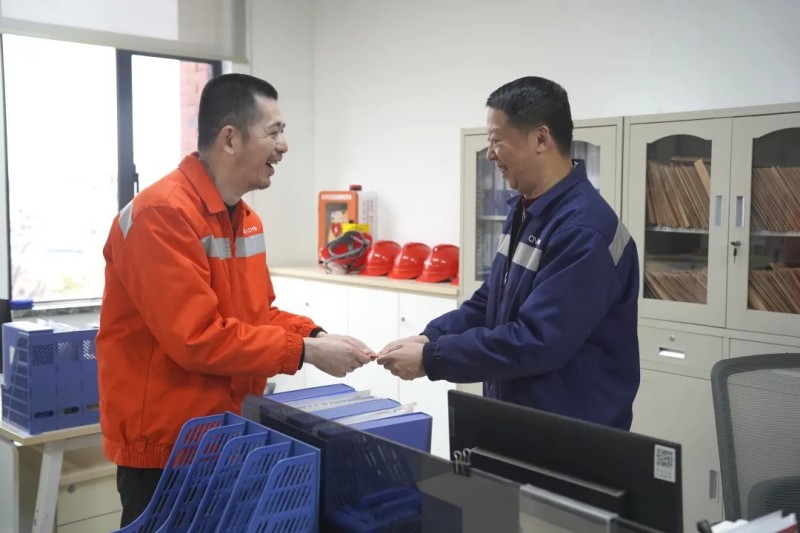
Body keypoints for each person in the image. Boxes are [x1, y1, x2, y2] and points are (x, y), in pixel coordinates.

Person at [97, 73, 374, 527]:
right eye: (274, 131)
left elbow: (257, 315)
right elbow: (196, 338)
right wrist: (305, 351)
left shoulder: (244, 220)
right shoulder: (162, 215)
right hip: (168, 449)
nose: (284, 146)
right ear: (230, 139)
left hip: (227, 437)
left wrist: (316, 335)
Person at [377, 76, 640, 430]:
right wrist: (432, 337)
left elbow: (538, 341)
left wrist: (432, 359)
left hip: (570, 433)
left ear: (541, 139)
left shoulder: (583, 230)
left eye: (496, 140)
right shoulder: (527, 211)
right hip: (522, 419)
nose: (489, 154)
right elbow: (490, 303)